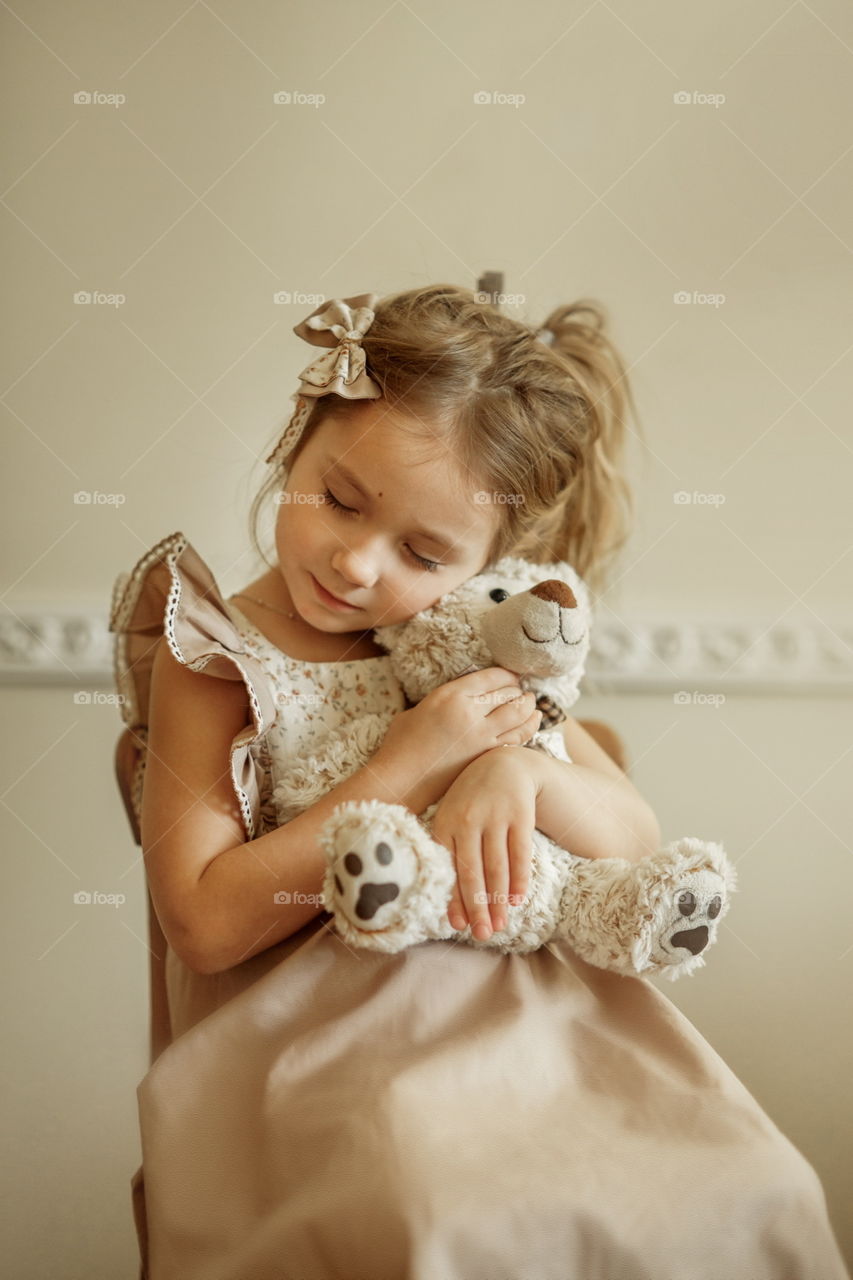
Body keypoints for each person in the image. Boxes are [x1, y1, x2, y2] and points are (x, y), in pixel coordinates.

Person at [110, 287, 849, 1280]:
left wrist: (517, 770)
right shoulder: (213, 653)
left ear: (489, 561)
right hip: (322, 1051)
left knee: (753, 1185)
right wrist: (405, 763)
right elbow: (202, 922)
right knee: (437, 1214)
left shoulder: (472, 649)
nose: (356, 562)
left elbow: (633, 836)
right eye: (340, 499)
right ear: (297, 437)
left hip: (531, 1030)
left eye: (422, 553)